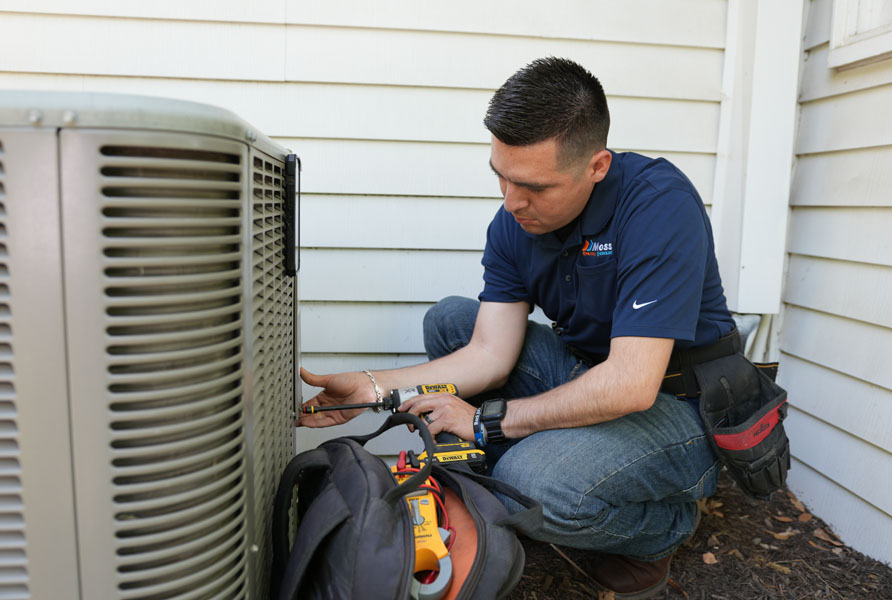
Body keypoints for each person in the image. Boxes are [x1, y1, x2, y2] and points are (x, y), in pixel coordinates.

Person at [299, 56, 737, 599]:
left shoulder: (657, 205)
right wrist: (373, 387)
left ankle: (659, 529)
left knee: (530, 485)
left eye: (534, 185)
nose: (512, 202)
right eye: (500, 176)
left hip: (682, 409)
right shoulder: (513, 221)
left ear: (597, 166)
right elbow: (487, 352)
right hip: (590, 373)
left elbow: (631, 383)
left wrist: (489, 423)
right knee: (453, 320)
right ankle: (540, 475)